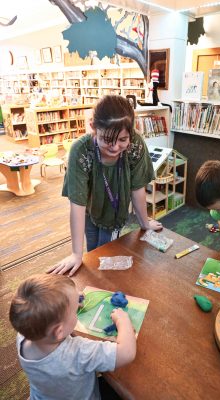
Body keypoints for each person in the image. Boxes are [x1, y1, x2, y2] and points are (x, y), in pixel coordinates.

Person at [48, 95, 162, 276]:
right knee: (92, 252)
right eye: (108, 139)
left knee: (106, 256)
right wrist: (76, 254)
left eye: (122, 140)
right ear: (93, 127)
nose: (115, 147)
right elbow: (77, 204)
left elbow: (137, 188)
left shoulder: (136, 143)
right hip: (89, 209)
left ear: (130, 132)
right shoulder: (81, 150)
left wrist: (145, 223)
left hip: (116, 212)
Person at [9, 274, 136, 400]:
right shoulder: (78, 352)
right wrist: (122, 321)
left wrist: (70, 301)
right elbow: (126, 353)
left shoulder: (24, 335)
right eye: (75, 311)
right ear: (59, 331)